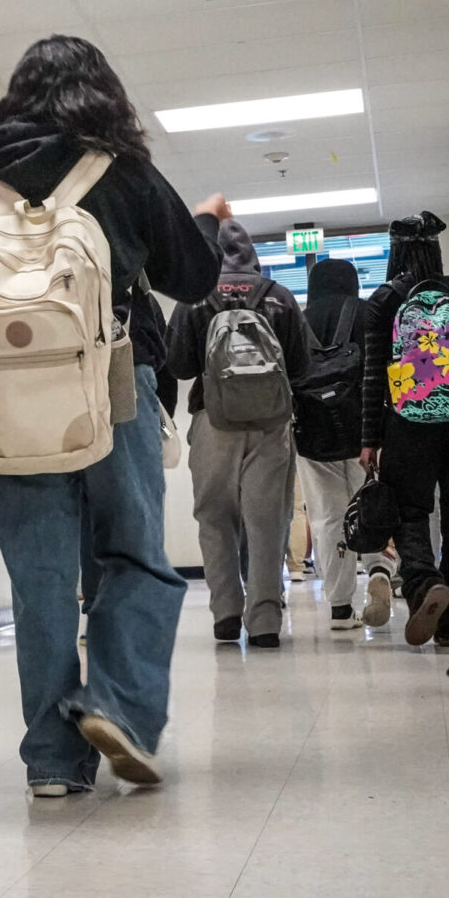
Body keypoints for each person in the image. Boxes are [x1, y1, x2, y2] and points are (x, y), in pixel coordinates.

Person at [0, 35, 221, 795]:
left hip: (10, 406)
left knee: (39, 581)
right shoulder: (121, 170)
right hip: (114, 381)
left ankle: (49, 761)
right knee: (132, 555)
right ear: (102, 93)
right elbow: (194, 277)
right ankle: (116, 708)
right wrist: (199, 222)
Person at [167, 223, 313, 648]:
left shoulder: (194, 298)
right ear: (252, 251)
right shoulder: (279, 296)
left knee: (215, 519)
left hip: (213, 421)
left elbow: (177, 366)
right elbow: (303, 367)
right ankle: (265, 620)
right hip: (270, 425)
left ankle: (226, 614)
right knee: (268, 522)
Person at [357, 213, 449, 647]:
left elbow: (373, 377)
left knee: (410, 511)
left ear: (394, 251)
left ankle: (422, 585)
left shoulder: (383, 301)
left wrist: (369, 439)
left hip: (407, 425)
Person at [296, 257, 397, 629]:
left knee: (327, 517)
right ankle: (379, 571)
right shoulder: (367, 311)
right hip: (364, 431)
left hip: (313, 434)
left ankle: (340, 608)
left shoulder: (299, 319)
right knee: (370, 504)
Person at [80, 285, 176, 618]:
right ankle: (129, 616)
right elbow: (165, 362)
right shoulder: (135, 288)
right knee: (135, 507)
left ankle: (95, 606)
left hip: (55, 383)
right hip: (127, 376)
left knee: (85, 508)